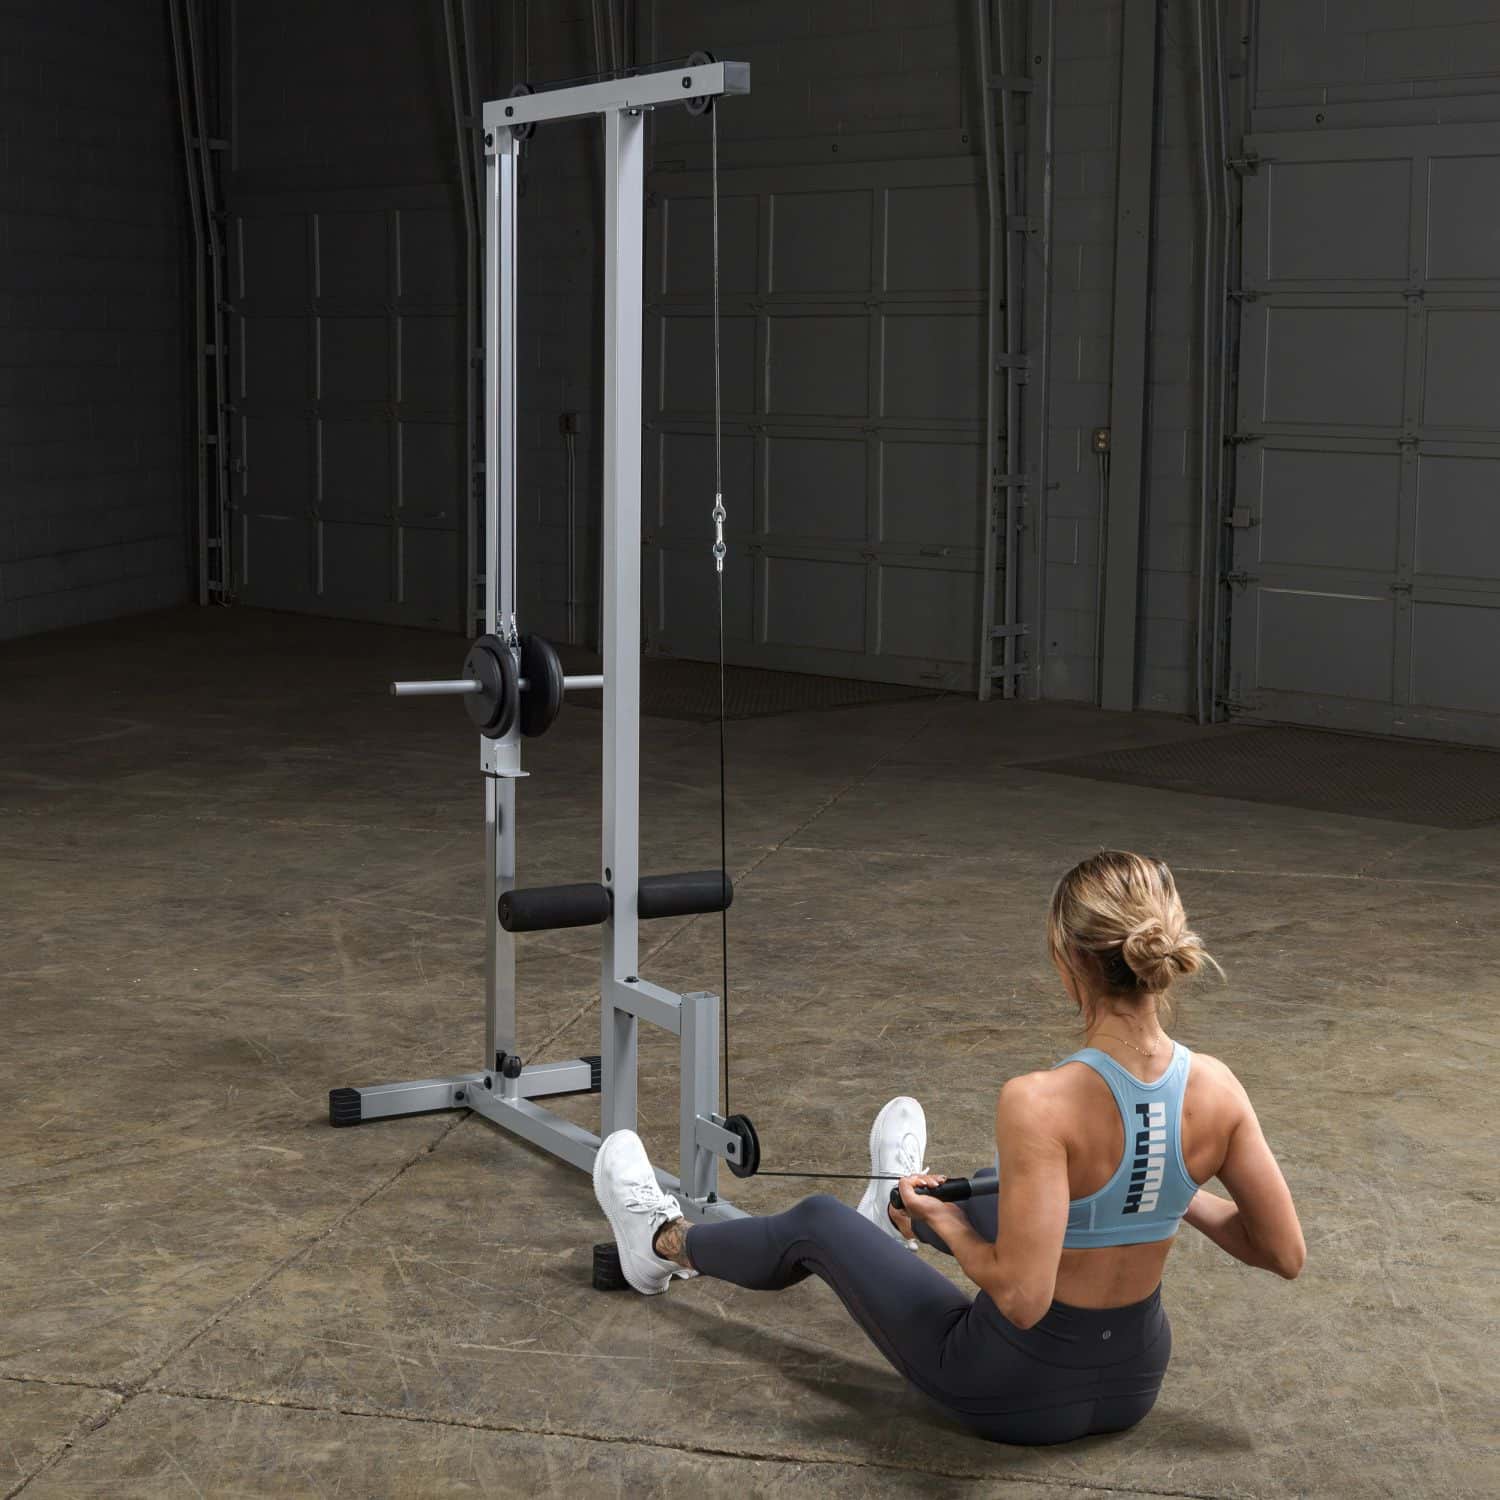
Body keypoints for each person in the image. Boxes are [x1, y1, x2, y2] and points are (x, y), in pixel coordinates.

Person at [592, 850, 1305, 1445]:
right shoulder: (1218, 1087)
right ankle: (893, 1213)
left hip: (1009, 1389)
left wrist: (950, 1223)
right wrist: (1166, 1184)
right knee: (1010, 1187)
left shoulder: (1041, 1100)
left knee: (816, 1221)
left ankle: (658, 1244)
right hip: (1134, 1384)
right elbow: (1285, 1253)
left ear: (1068, 962)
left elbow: (1022, 1300)